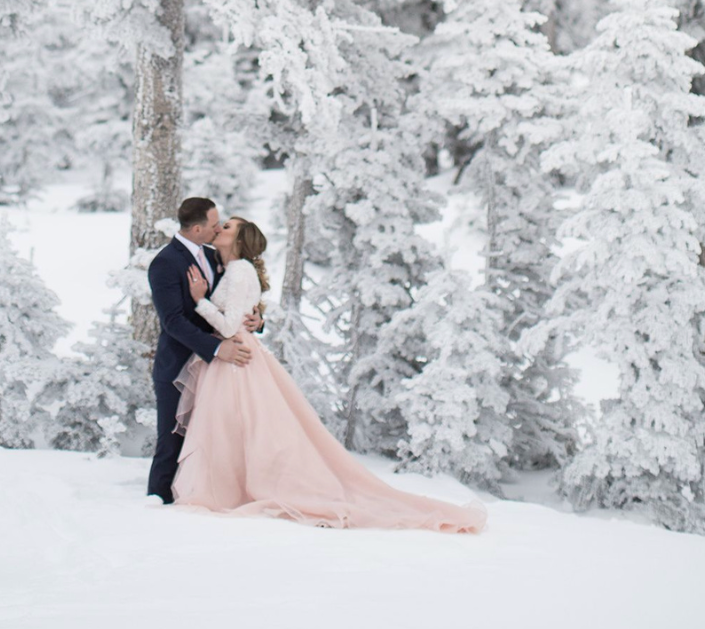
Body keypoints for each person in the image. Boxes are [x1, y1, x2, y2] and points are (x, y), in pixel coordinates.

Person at [172, 215, 487, 534]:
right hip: (233, 353)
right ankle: (234, 487)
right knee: (239, 426)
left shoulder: (239, 270)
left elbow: (228, 326)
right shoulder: (227, 266)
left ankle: (238, 489)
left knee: (240, 426)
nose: (219, 228)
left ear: (240, 240)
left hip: (235, 355)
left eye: (227, 227)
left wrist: (200, 300)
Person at [145, 197, 261, 503]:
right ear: (197, 229)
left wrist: (258, 318)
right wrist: (217, 348)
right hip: (179, 362)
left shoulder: (215, 256)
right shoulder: (165, 263)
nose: (219, 228)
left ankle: (214, 491)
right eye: (214, 224)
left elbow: (237, 298)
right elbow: (172, 321)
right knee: (172, 434)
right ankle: (159, 496)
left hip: (219, 368)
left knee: (219, 433)